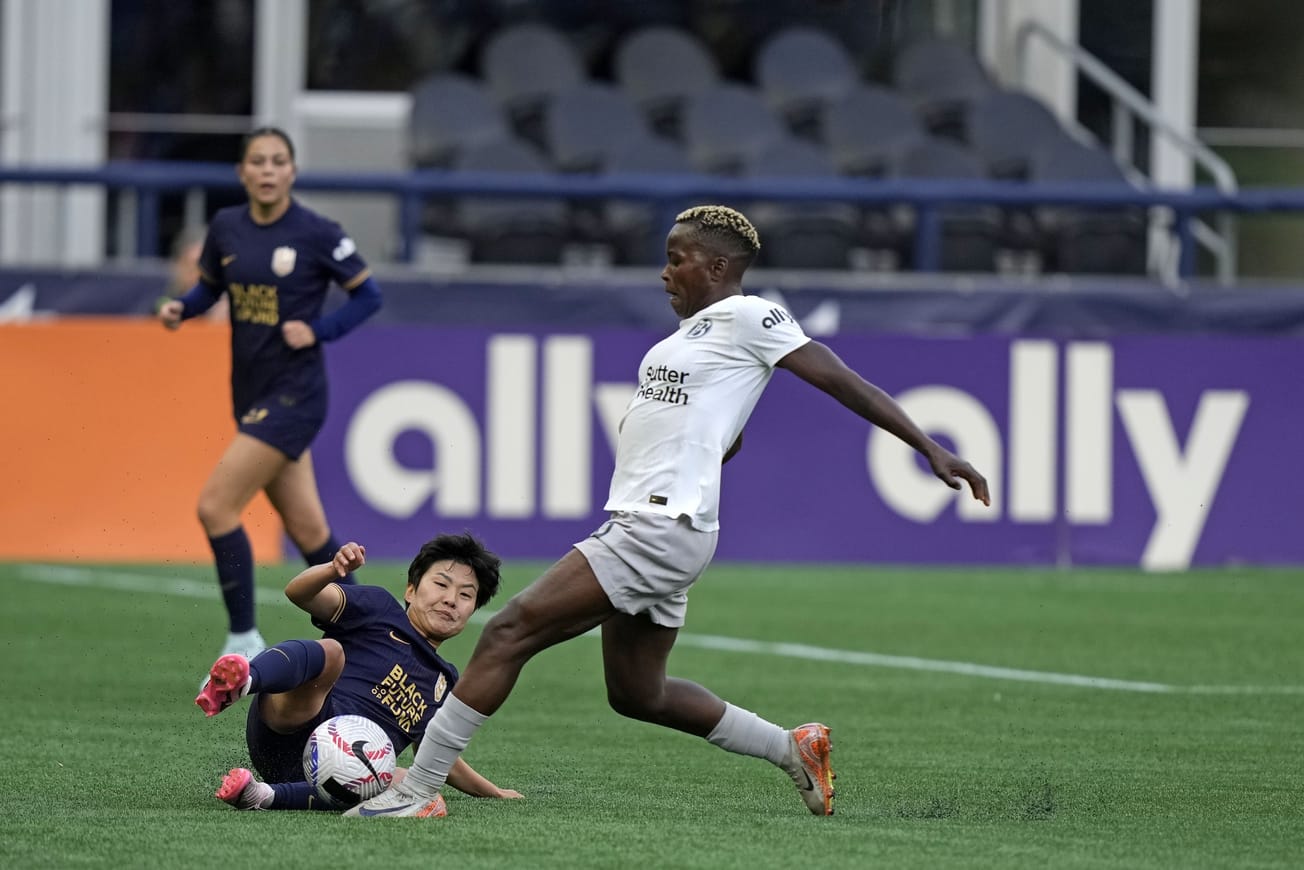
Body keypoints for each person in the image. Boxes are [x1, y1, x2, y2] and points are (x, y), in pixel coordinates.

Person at [348, 205, 991, 820]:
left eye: (676, 259)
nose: (664, 272)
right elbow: (711, 431)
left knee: (507, 632)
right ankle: (792, 748)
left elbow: (839, 377)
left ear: (715, 267)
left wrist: (929, 446)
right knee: (637, 693)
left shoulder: (751, 316)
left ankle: (419, 789)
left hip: (657, 526)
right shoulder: (692, 338)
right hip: (655, 520)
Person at [158, 126, 383, 669]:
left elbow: (368, 295)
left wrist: (319, 331)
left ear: (292, 172)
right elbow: (211, 286)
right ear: (243, 172)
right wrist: (182, 309)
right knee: (309, 532)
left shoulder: (316, 231)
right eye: (257, 161)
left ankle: (243, 638)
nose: (266, 170)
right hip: (251, 392)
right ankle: (378, 635)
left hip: (295, 396)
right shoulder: (227, 227)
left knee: (216, 506)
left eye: (277, 161)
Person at [197, 534, 523, 813]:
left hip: (342, 770)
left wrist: (493, 792)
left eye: (466, 595)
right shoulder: (380, 608)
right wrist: (332, 569)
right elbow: (300, 593)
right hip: (290, 721)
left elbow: (437, 755)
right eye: (441, 584)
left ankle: (262, 795)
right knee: (332, 652)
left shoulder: (443, 680)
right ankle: (244, 681)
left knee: (404, 780)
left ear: (472, 611)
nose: (451, 600)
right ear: (411, 589)